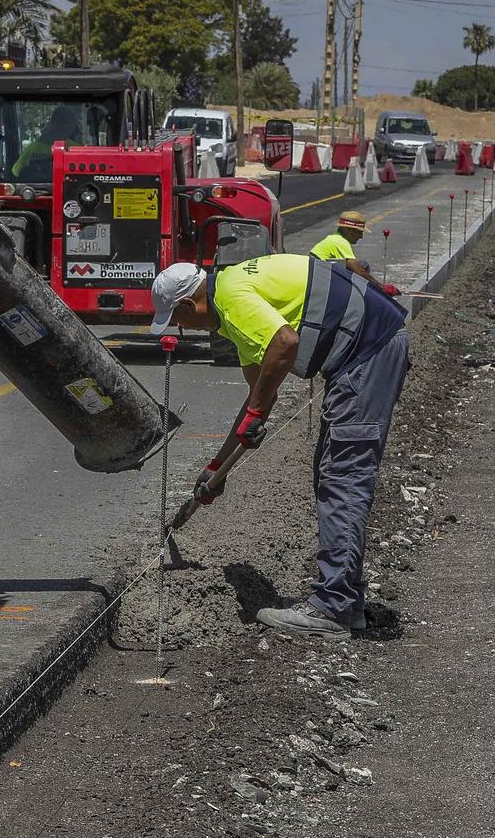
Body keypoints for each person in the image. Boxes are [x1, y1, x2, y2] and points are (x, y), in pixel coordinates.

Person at [150, 255, 410, 640]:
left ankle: (333, 608)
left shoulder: (232, 301)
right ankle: (347, 605)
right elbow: (259, 394)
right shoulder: (236, 293)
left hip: (367, 355)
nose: (182, 328)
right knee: (336, 476)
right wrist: (218, 465)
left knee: (343, 480)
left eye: (178, 320)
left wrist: (257, 412)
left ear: (189, 304)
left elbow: (284, 344)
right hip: (368, 352)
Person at [309, 209, 399, 295]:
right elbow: (359, 271)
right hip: (317, 280)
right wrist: (382, 288)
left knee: (362, 265)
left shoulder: (335, 238)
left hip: (319, 274)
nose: (361, 236)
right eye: (359, 232)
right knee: (362, 266)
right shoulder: (340, 242)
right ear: (348, 230)